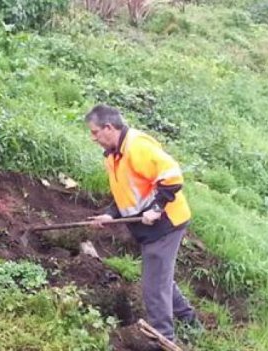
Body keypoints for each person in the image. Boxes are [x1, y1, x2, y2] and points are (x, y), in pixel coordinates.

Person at [85, 104, 199, 342]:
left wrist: (156, 208)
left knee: (153, 287)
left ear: (108, 127)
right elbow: (125, 192)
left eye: (95, 132)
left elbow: (172, 175)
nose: (92, 138)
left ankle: (164, 339)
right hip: (147, 229)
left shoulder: (137, 147)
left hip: (166, 224)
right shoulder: (113, 155)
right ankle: (190, 322)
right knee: (161, 278)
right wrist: (110, 214)